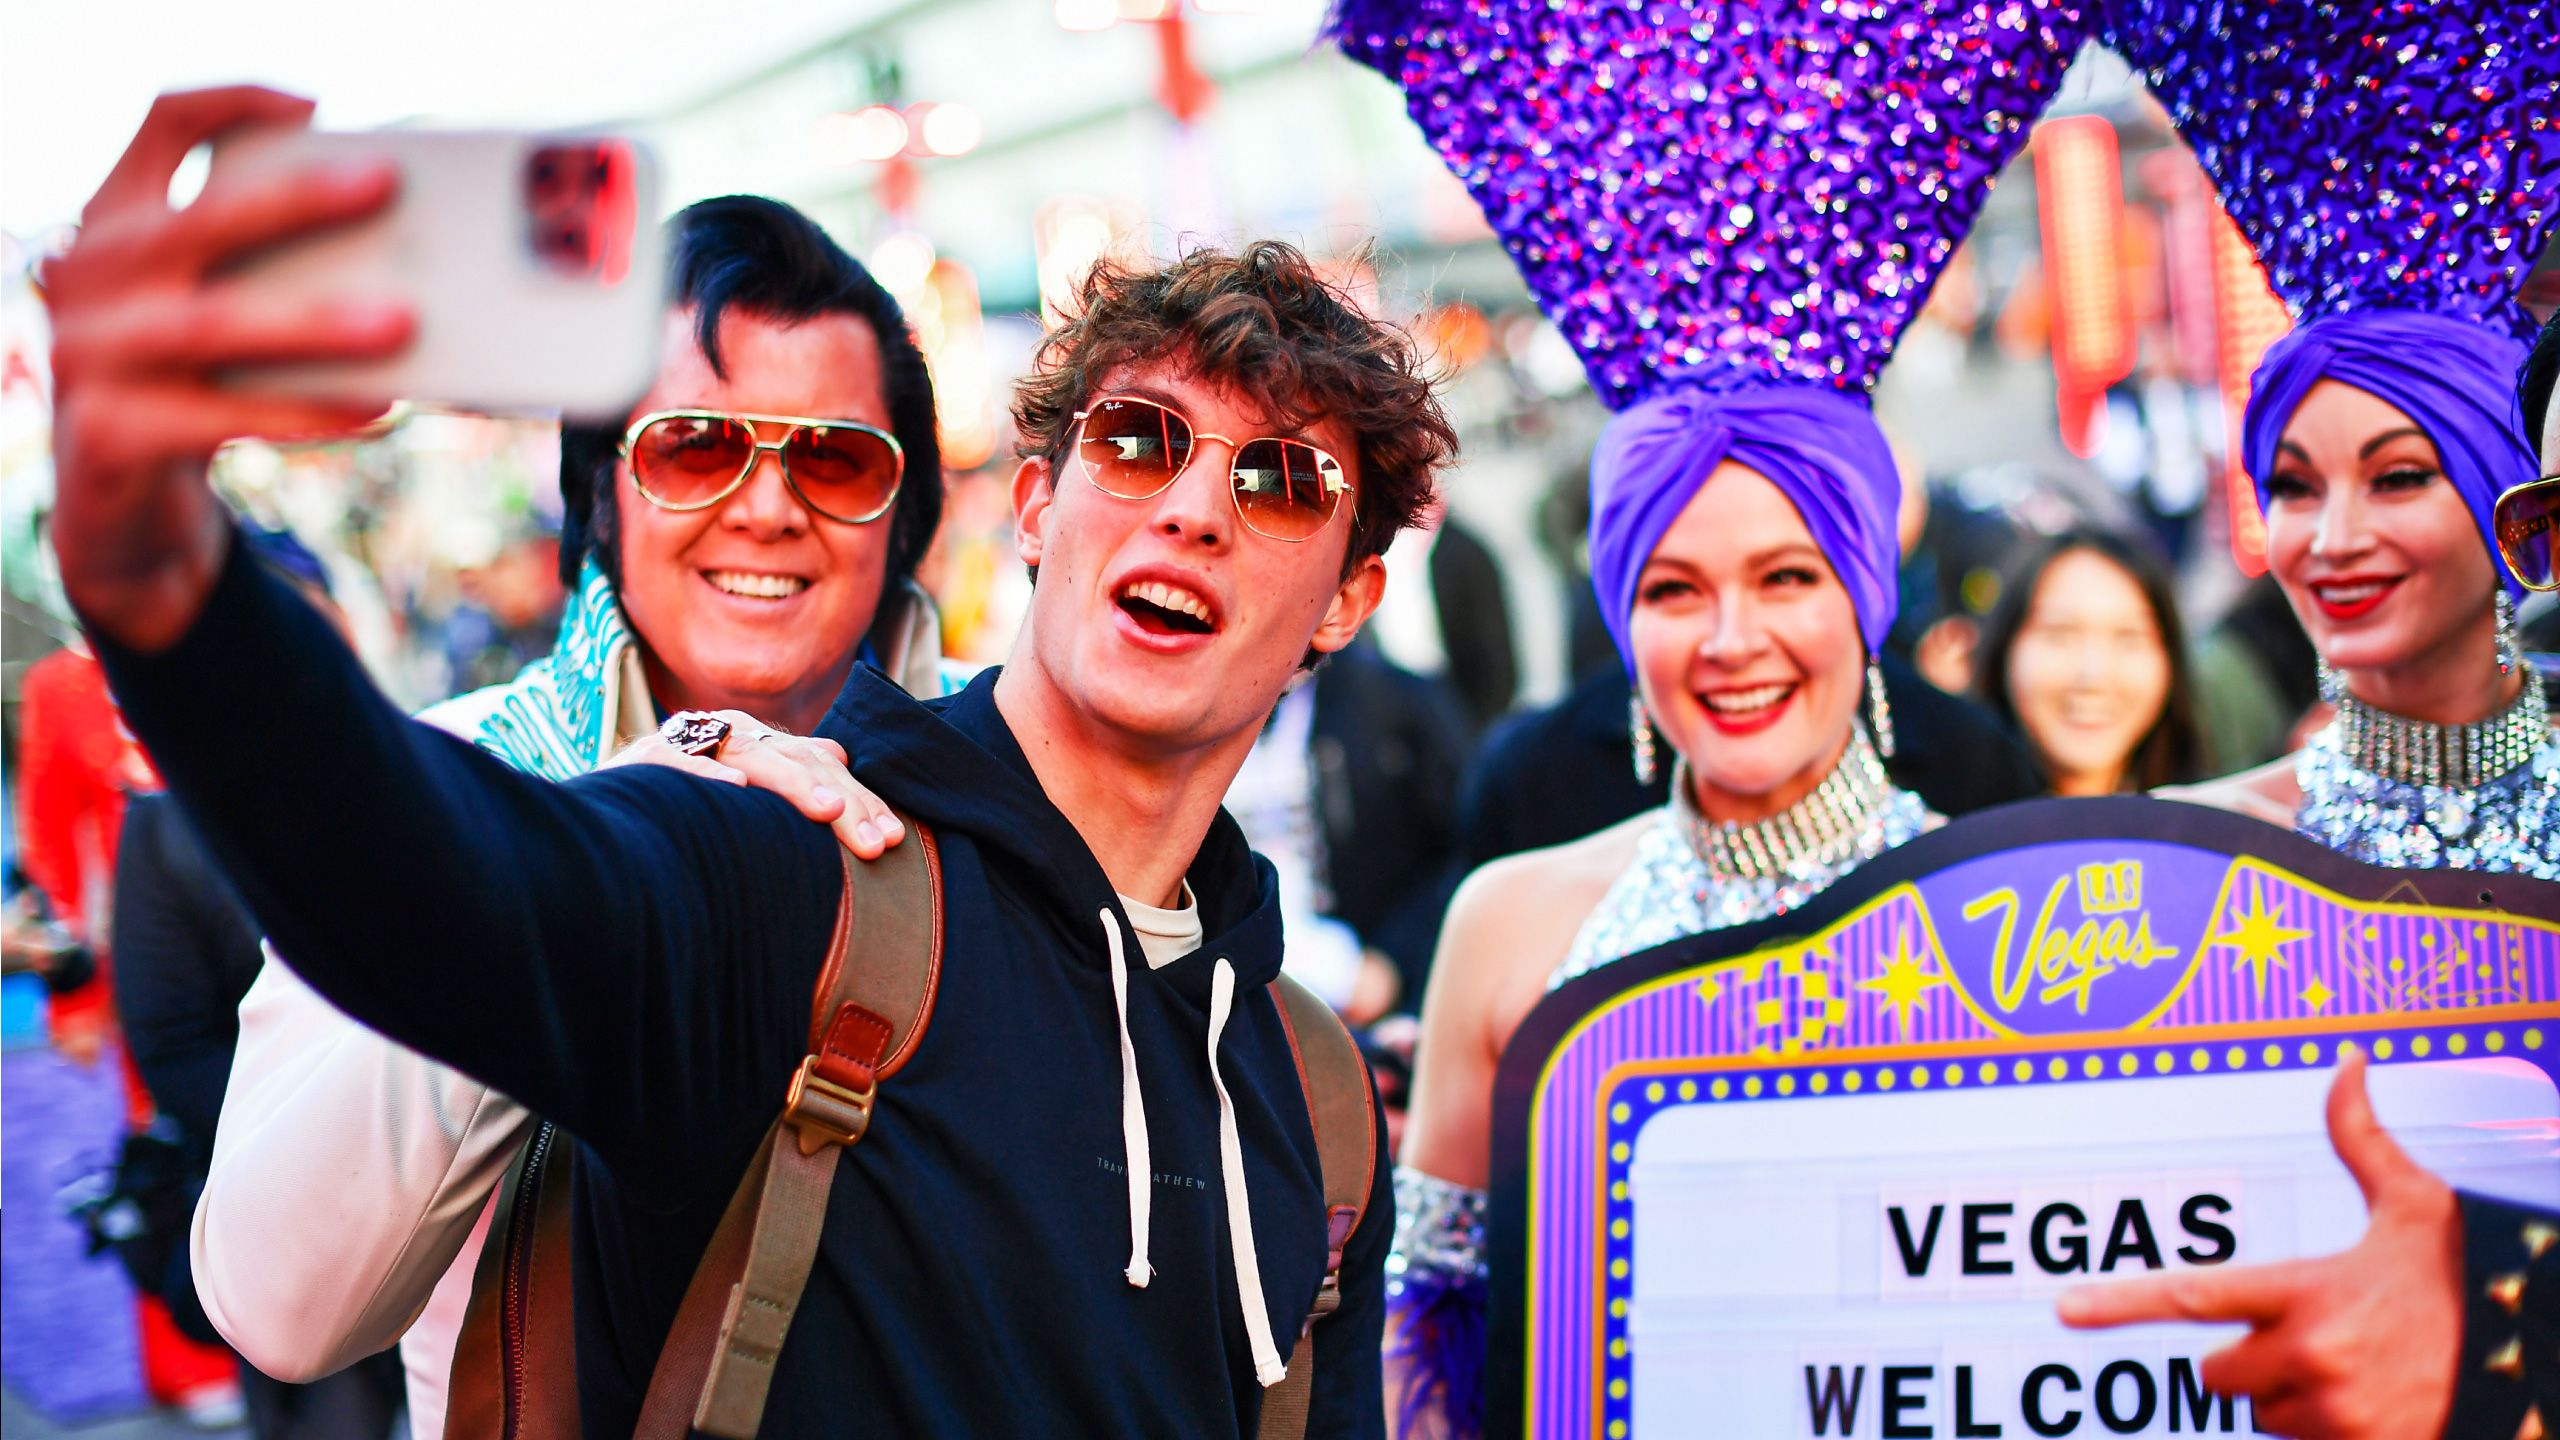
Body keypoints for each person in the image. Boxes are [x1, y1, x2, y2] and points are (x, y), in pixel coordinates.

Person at [51, 84, 1451, 1437]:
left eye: (1282, 480)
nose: (1200, 506)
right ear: (1035, 507)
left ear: (1346, 600)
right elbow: (444, 874)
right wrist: (161, 546)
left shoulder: (1307, 1083)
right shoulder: (796, 853)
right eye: (1139, 443)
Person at [1331, 3, 2103, 1432]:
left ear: (1863, 597)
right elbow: (1427, 1348)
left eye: (1788, 577)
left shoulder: (2036, 907)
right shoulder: (1510, 923)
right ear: (1622, 619)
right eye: (1675, 587)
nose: (1733, 639)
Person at [185, 190, 955, 1440]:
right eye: (695, 446)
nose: (766, 507)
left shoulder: (1011, 787)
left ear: (903, 512)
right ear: (603, 490)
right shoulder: (450, 782)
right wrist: (589, 852)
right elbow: (280, 1308)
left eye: (832, 457)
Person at [2060, 13, 2559, 1438]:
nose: (2331, 538)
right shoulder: (2181, 855)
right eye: (2291, 484)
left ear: (2514, 503)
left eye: (2398, 478)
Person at [111, 527, 406, 1440]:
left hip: (428, 1189)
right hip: (276, 1204)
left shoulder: (406, 787)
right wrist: (305, 1149)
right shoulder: (167, 830)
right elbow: (167, 1041)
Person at [1223, 635, 1470, 1023]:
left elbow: (1463, 852)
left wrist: (1391, 963)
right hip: (1235, 997)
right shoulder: (1186, 706)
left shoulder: (1393, 703)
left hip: (1360, 1000)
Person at [1970, 525, 2207, 795]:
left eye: (2129, 637)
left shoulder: (2209, 827)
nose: (2092, 676)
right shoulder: (1940, 826)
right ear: (2006, 648)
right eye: (2060, 634)